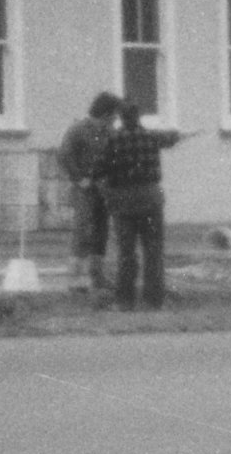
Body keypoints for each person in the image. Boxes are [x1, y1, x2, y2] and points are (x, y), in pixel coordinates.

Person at [95, 99, 185, 309]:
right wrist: (177, 135)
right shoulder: (152, 137)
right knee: (153, 251)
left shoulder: (113, 140)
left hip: (124, 202)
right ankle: (153, 301)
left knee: (126, 254)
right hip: (151, 198)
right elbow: (171, 138)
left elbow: (99, 170)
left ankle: (125, 301)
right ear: (138, 117)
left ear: (121, 118)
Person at [57, 92, 123, 291]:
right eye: (114, 114)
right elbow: (64, 155)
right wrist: (79, 179)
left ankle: (97, 275)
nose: (116, 119)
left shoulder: (109, 132)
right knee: (82, 230)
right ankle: (75, 280)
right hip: (85, 189)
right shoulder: (78, 129)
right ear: (106, 113)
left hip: (104, 189)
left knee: (101, 232)